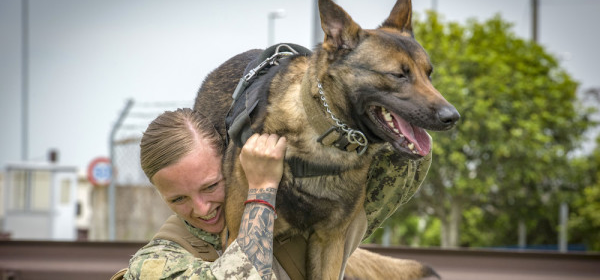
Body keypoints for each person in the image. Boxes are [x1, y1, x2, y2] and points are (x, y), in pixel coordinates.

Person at [120, 108, 434, 280]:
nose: (201, 209)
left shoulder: (304, 218)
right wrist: (261, 189)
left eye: (210, 187)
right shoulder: (156, 263)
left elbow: (404, 162)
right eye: (178, 199)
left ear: (234, 162)